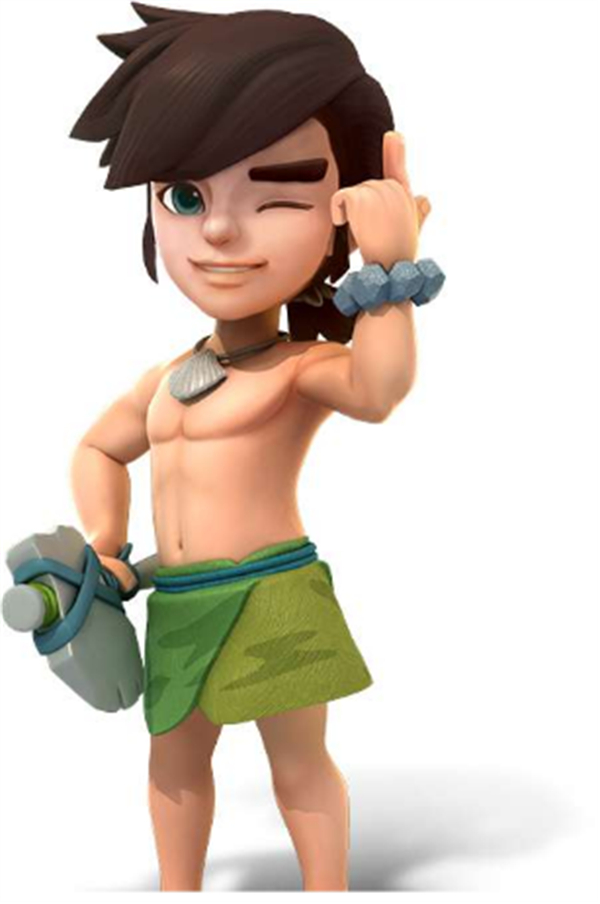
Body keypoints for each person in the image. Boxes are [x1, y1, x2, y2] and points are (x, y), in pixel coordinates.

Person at [69, 2, 435, 892]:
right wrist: (107, 543)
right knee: (172, 761)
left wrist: (387, 270)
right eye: (184, 197)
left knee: (297, 763)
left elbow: (379, 390)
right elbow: (99, 450)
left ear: (338, 213)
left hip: (272, 595)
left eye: (275, 195)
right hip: (178, 599)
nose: (221, 233)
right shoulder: (166, 378)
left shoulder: (299, 369)